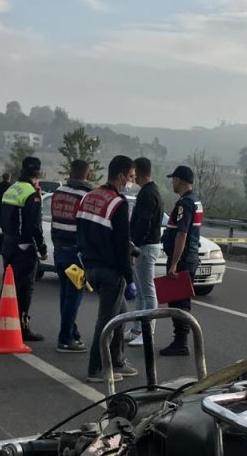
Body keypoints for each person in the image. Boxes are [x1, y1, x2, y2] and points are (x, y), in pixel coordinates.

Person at [77, 155, 139, 382]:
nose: (131, 181)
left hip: (90, 266)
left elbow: (82, 233)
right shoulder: (118, 204)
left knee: (121, 315)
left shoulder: (89, 197)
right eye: (131, 177)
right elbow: (121, 244)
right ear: (121, 176)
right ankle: (97, 369)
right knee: (107, 323)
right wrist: (129, 276)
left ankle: (118, 361)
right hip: (111, 271)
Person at [0, 158, 47, 342]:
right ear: (38, 173)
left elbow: (0, 215)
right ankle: (23, 328)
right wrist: (41, 248)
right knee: (25, 288)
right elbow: (34, 225)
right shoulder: (31, 193)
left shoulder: (12, 188)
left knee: (8, 286)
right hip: (24, 246)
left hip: (8, 243)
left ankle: (5, 321)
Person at [49, 161, 94, 352]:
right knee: (74, 297)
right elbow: (88, 226)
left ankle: (72, 333)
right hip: (76, 254)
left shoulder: (58, 192)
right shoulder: (85, 196)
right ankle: (66, 339)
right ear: (87, 174)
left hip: (59, 250)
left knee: (65, 295)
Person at [159, 165, 202, 357]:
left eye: (174, 179)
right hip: (189, 257)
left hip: (183, 260)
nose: (172, 182)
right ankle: (180, 341)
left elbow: (182, 234)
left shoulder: (185, 203)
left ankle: (181, 342)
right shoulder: (195, 200)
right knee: (178, 300)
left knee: (179, 303)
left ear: (181, 181)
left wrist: (174, 263)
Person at [127, 156, 163, 346]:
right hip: (143, 246)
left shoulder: (149, 194)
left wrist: (135, 245)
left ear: (139, 173)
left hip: (146, 247)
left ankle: (148, 333)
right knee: (140, 291)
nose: (132, 178)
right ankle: (136, 329)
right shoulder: (147, 192)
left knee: (148, 292)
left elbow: (145, 223)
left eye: (134, 174)